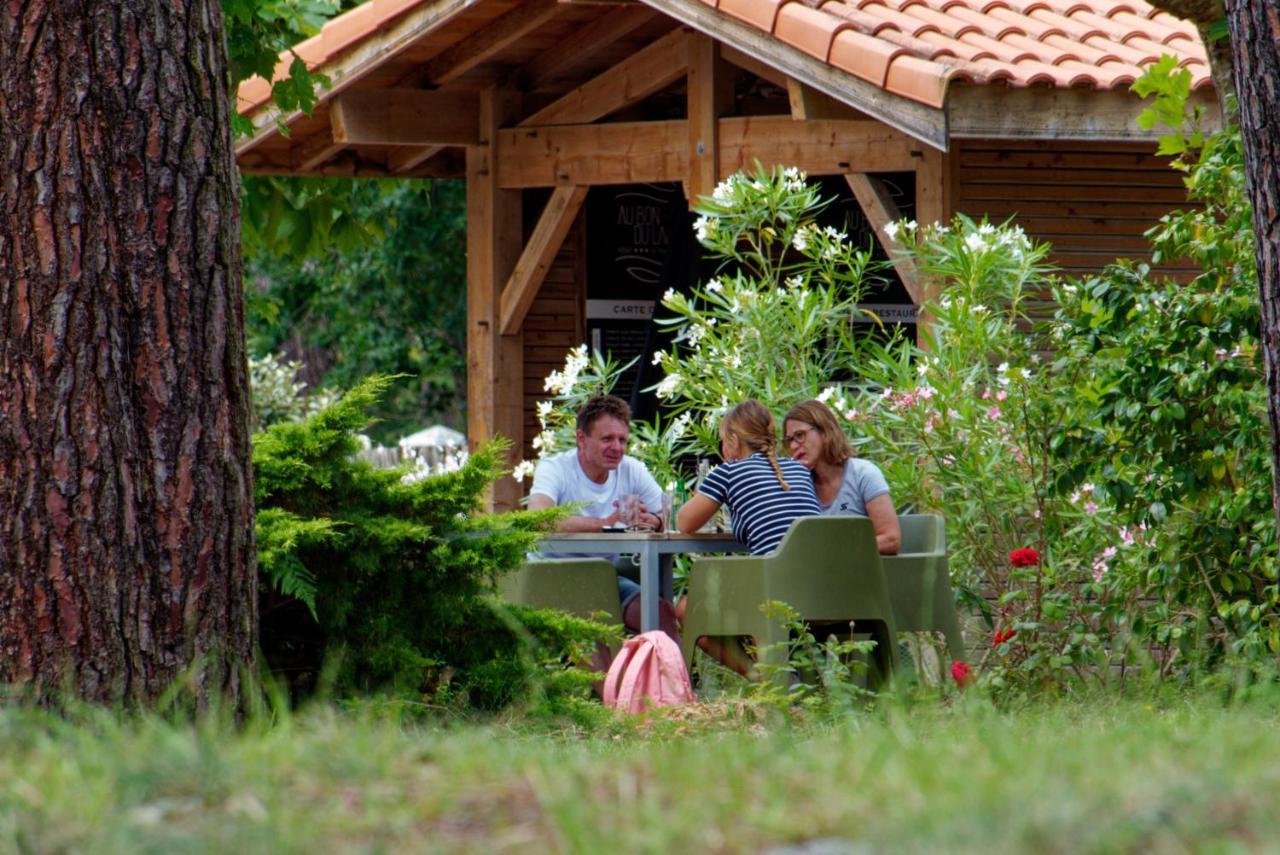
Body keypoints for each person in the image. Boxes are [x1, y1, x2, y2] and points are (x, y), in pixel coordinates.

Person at [675, 399, 821, 673]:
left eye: (722, 441)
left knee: (688, 609)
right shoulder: (800, 470)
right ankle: (787, 686)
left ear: (732, 440)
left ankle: (762, 681)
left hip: (773, 591)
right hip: (819, 588)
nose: (721, 449)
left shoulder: (728, 472)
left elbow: (684, 522)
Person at [528, 394, 678, 639]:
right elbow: (538, 518)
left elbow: (669, 514)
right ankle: (616, 679)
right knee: (595, 635)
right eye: (607, 439)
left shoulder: (632, 469)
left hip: (604, 580)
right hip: (550, 579)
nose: (617, 448)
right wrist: (604, 524)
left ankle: (672, 679)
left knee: (661, 615)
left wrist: (656, 521)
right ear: (581, 439)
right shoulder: (555, 468)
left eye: (622, 439)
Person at [782, 399, 900, 555]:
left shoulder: (863, 474)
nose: (794, 446)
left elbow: (891, 539)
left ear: (824, 432)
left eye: (800, 435)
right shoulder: (796, 485)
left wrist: (835, 551)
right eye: (789, 440)